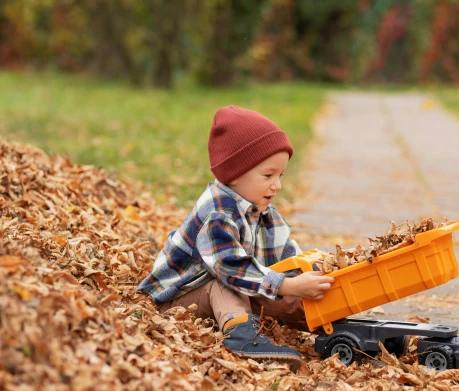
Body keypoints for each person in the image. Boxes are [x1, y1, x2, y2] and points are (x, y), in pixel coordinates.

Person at [137, 105, 334, 363]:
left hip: (237, 291)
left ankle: (335, 327)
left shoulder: (264, 212)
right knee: (227, 282)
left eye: (281, 175)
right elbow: (230, 268)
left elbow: (287, 258)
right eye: (268, 175)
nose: (278, 185)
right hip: (179, 300)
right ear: (235, 174)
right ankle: (241, 338)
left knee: (284, 290)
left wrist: (311, 276)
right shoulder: (217, 213)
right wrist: (288, 284)